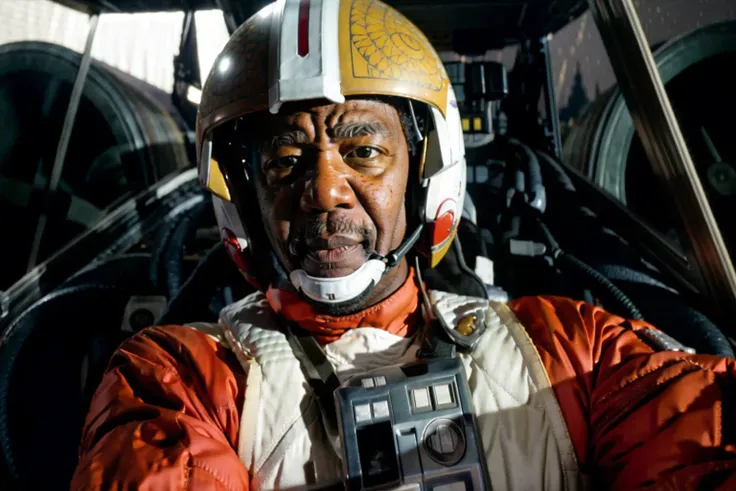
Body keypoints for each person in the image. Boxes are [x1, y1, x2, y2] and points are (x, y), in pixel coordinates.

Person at [71, 0, 736, 489]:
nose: (324, 189)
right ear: (244, 196)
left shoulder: (571, 351)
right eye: (285, 161)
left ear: (425, 170)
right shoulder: (175, 378)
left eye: (361, 149)